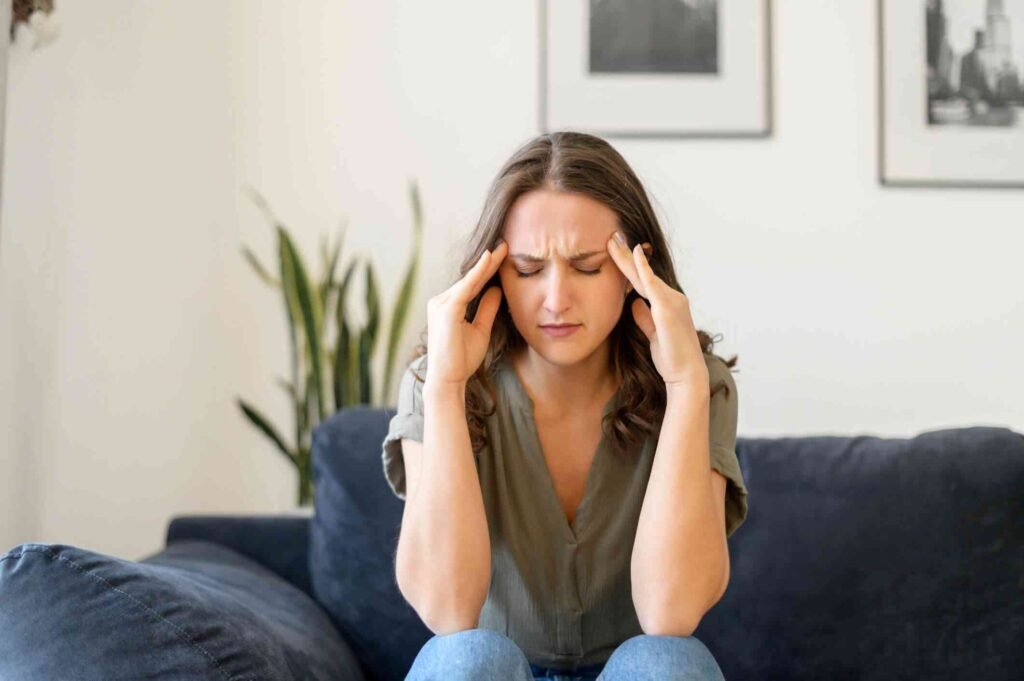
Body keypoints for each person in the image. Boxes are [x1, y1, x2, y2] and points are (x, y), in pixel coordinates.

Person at [382, 131, 748, 680]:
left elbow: (671, 613)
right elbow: (446, 612)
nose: (555, 300)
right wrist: (444, 386)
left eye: (588, 267)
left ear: (634, 274)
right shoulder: (437, 381)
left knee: (669, 663)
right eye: (528, 270)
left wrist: (685, 389)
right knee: (467, 659)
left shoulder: (699, 383)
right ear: (493, 275)